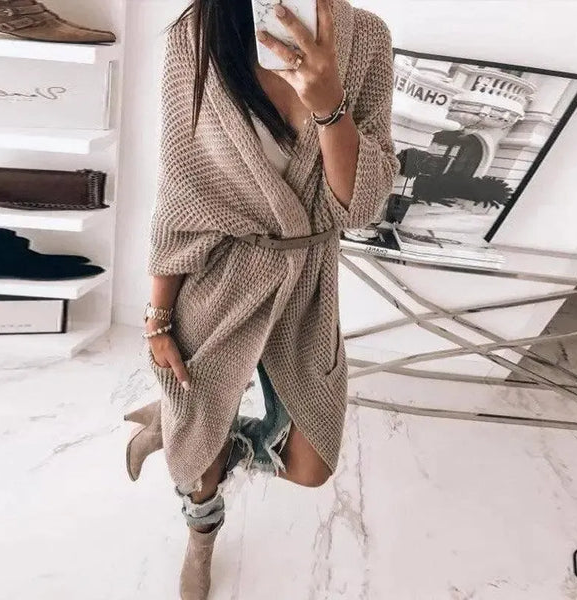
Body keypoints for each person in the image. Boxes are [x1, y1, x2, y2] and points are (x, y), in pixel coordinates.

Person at [124, 0, 400, 597]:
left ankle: (182, 427)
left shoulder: (368, 38)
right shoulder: (198, 32)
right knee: (198, 461)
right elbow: (181, 186)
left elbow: (362, 205)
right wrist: (158, 317)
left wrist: (328, 103)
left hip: (307, 278)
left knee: (310, 465)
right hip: (218, 273)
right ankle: (201, 534)